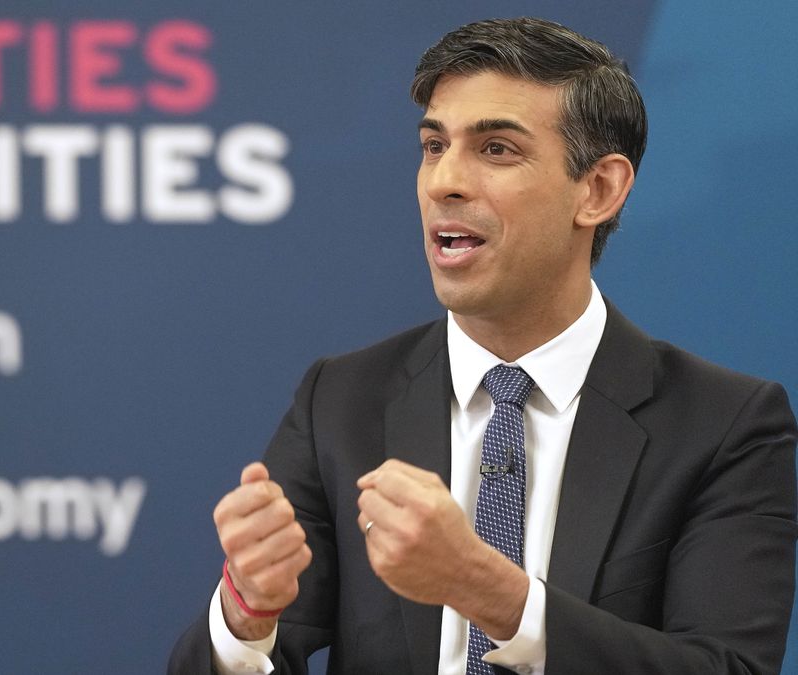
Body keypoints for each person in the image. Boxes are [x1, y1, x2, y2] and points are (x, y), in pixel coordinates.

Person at [168, 16, 798, 675]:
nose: (444, 182)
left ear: (599, 190)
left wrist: (491, 592)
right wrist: (245, 620)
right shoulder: (342, 400)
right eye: (434, 145)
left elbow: (730, 666)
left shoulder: (724, 425)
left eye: (496, 149)